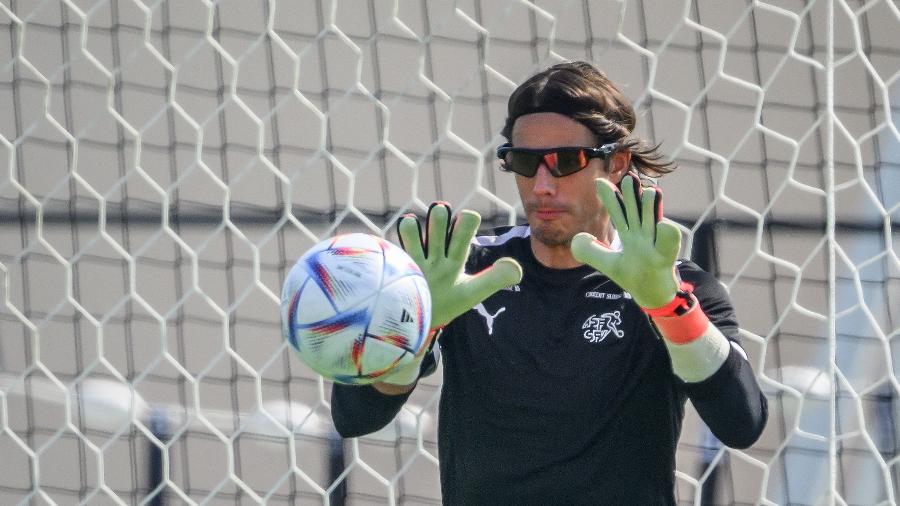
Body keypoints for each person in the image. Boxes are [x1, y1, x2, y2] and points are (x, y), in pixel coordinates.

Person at [330, 61, 768, 505]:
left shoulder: (673, 284)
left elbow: (742, 422)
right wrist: (416, 334)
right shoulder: (464, 269)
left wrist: (666, 308)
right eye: (524, 162)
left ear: (615, 163)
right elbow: (354, 416)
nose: (540, 185)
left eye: (565, 161)